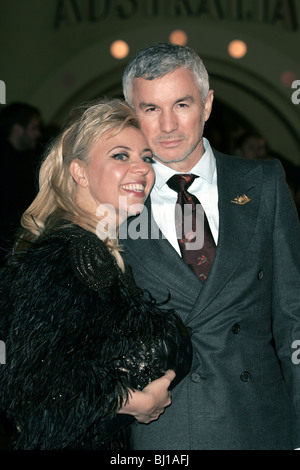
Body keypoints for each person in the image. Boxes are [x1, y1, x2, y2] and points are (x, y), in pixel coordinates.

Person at [120, 42, 300, 450]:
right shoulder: (112, 201)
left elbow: (294, 317)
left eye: (181, 104)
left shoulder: (264, 182)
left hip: (260, 422)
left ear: (207, 104)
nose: (167, 126)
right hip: (162, 429)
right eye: (150, 109)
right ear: (131, 114)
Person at [0, 98, 192, 450]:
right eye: (121, 156)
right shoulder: (72, 253)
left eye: (147, 158)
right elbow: (36, 389)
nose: (143, 169)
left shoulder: (94, 250)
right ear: (80, 171)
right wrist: (137, 402)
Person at [0, 102, 42, 265]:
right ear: (17, 129)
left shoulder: (22, 161)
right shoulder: (12, 166)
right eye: (34, 128)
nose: (38, 134)